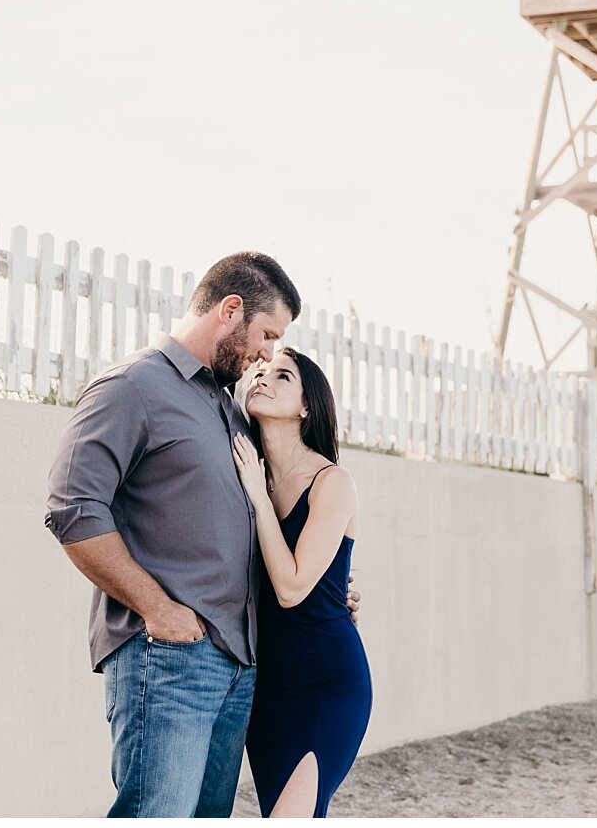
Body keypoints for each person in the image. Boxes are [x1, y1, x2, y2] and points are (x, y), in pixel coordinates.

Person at [45, 252, 352, 817]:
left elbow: (236, 537)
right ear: (230, 310)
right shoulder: (133, 387)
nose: (267, 354)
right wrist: (156, 608)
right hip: (167, 659)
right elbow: (72, 508)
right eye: (267, 335)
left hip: (239, 668)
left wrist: (327, 594)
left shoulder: (230, 411)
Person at [231, 348, 371, 818]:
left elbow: (291, 589)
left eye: (282, 376)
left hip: (326, 683)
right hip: (266, 689)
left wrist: (257, 494)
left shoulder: (332, 481)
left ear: (307, 405)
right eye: (260, 372)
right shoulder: (244, 469)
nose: (263, 379)